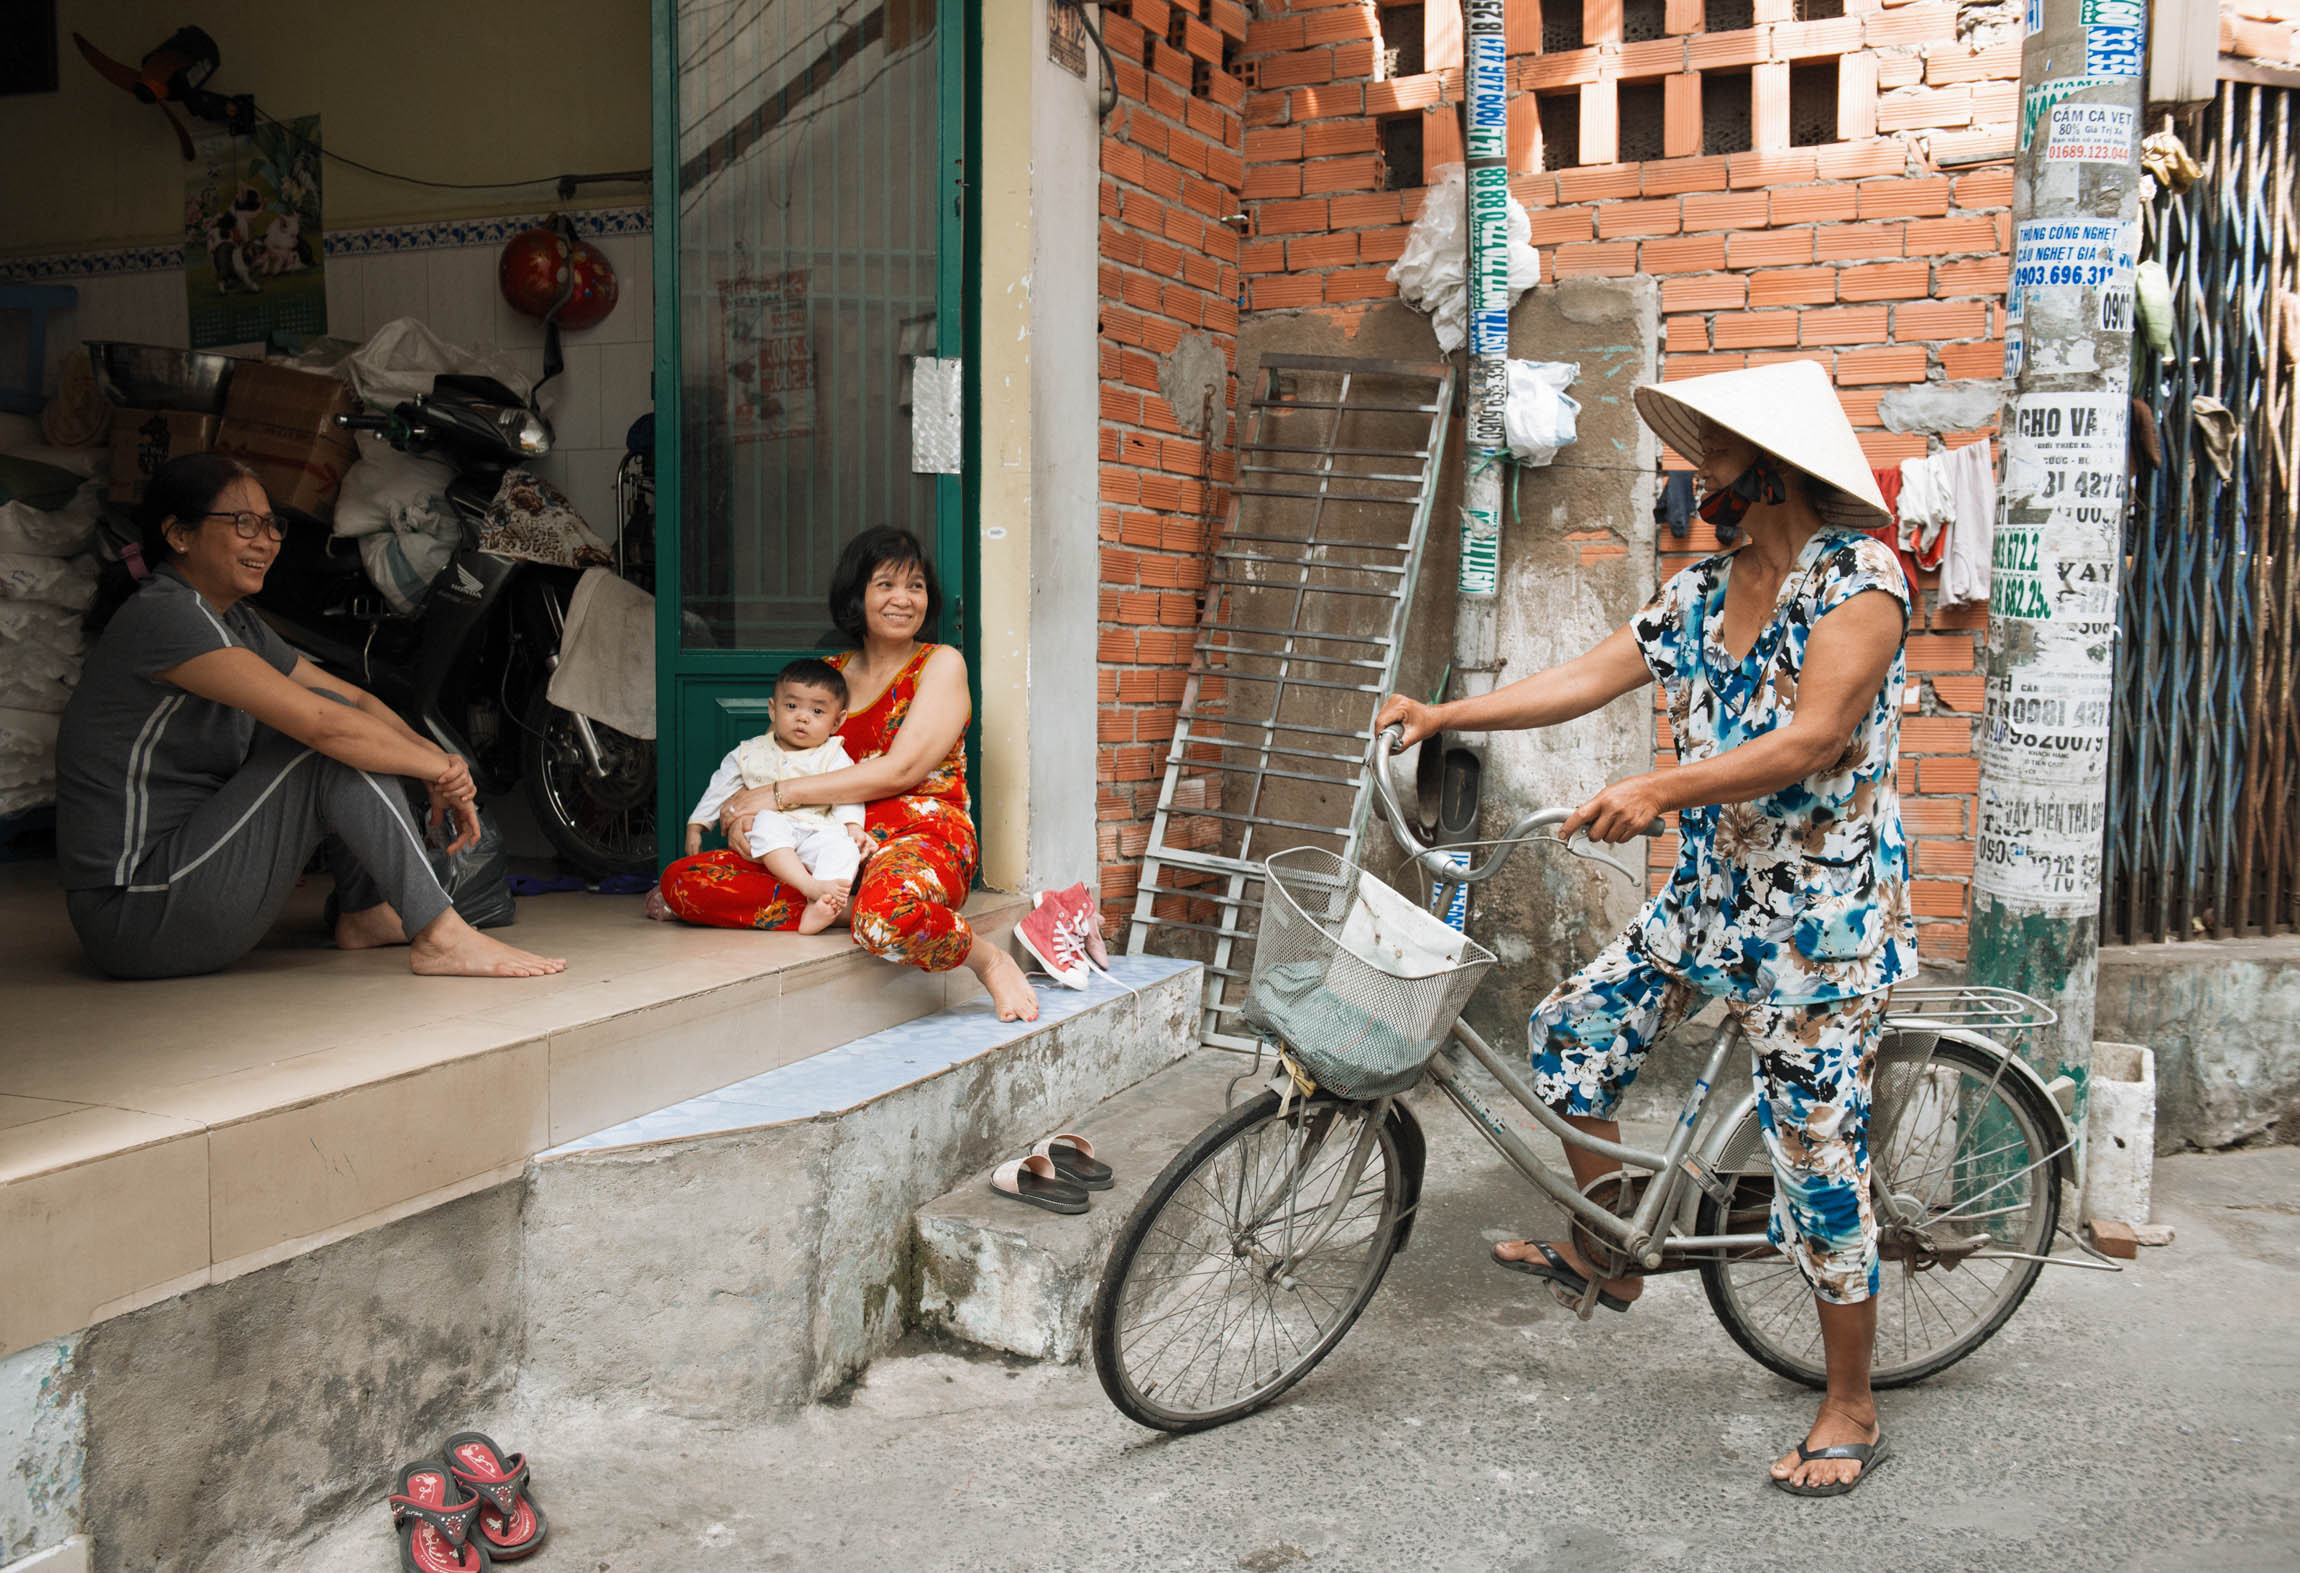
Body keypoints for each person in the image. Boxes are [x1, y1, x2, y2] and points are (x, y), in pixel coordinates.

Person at [1376, 360, 1917, 1496]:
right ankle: (1608, 1246)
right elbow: (1583, 677)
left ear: (1771, 472)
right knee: (1572, 1031)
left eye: (1716, 455)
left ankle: (1849, 1403)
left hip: (1819, 921)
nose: (1699, 473)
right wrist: (1442, 712)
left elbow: (1810, 739)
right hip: (1714, 893)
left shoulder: (1856, 579)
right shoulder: (1697, 593)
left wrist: (1661, 790)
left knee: (1815, 1159)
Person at [55, 453, 566, 981]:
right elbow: (325, 726)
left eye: (271, 524)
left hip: (183, 883)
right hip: (135, 913)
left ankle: (365, 914)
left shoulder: (234, 623)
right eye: (243, 524)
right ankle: (440, 936)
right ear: (179, 535)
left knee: (354, 730)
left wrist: (442, 761)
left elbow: (356, 702)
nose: (265, 541)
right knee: (327, 747)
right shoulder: (165, 615)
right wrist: (435, 771)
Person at [655, 528, 1040, 1022]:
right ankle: (849, 905)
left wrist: (775, 796)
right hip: (821, 840)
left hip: (920, 834)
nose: (903, 599)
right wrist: (743, 821)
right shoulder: (826, 676)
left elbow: (899, 770)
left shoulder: (939, 664)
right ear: (857, 595)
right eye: (885, 584)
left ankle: (985, 958)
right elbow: (773, 757)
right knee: (683, 882)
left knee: (886, 918)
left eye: (916, 586)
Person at [679, 658, 871, 935]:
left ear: (837, 720)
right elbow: (720, 787)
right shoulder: (750, 751)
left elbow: (846, 792)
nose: (802, 717)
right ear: (772, 709)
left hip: (816, 832)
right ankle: (811, 889)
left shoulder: (833, 753)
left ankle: (823, 906)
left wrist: (853, 827)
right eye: (791, 706)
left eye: (817, 711)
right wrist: (697, 825)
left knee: (844, 846)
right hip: (770, 844)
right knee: (767, 821)